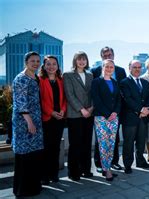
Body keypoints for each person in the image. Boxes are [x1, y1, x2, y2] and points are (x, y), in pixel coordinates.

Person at [11, 51, 43, 197]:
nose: (36, 63)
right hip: (24, 123)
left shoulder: (35, 77)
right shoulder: (21, 78)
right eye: (32, 61)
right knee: (24, 156)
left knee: (33, 155)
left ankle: (33, 186)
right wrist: (29, 122)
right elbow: (21, 103)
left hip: (35, 120)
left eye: (37, 61)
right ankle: (22, 189)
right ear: (26, 62)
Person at [91, 46, 127, 172]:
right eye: (105, 55)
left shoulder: (121, 71)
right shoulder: (95, 71)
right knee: (100, 140)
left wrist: (116, 111)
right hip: (101, 113)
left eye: (109, 55)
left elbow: (122, 93)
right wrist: (107, 113)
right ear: (101, 57)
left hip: (116, 112)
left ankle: (114, 162)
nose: (108, 57)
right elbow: (95, 96)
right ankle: (100, 164)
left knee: (115, 138)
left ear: (113, 55)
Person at [63, 51, 94, 181]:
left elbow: (93, 93)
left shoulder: (90, 75)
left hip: (89, 113)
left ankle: (86, 170)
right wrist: (82, 109)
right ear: (75, 61)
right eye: (79, 59)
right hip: (75, 114)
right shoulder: (68, 75)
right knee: (75, 144)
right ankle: (74, 172)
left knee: (87, 143)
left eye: (84, 60)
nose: (82, 62)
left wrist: (91, 108)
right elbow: (69, 95)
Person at [120, 60, 149, 173]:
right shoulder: (124, 82)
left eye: (139, 67)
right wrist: (140, 110)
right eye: (135, 67)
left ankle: (140, 161)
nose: (137, 69)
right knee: (128, 142)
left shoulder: (145, 82)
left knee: (141, 141)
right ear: (129, 68)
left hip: (143, 118)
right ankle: (128, 165)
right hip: (130, 118)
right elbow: (127, 99)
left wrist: (147, 109)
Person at [38, 55, 67, 185]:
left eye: (54, 64)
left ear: (57, 66)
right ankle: (44, 175)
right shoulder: (40, 80)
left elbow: (65, 99)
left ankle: (54, 174)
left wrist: (62, 110)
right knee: (46, 148)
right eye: (48, 64)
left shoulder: (60, 80)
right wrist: (51, 112)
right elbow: (40, 101)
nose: (51, 66)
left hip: (59, 119)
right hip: (47, 119)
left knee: (56, 148)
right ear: (44, 66)